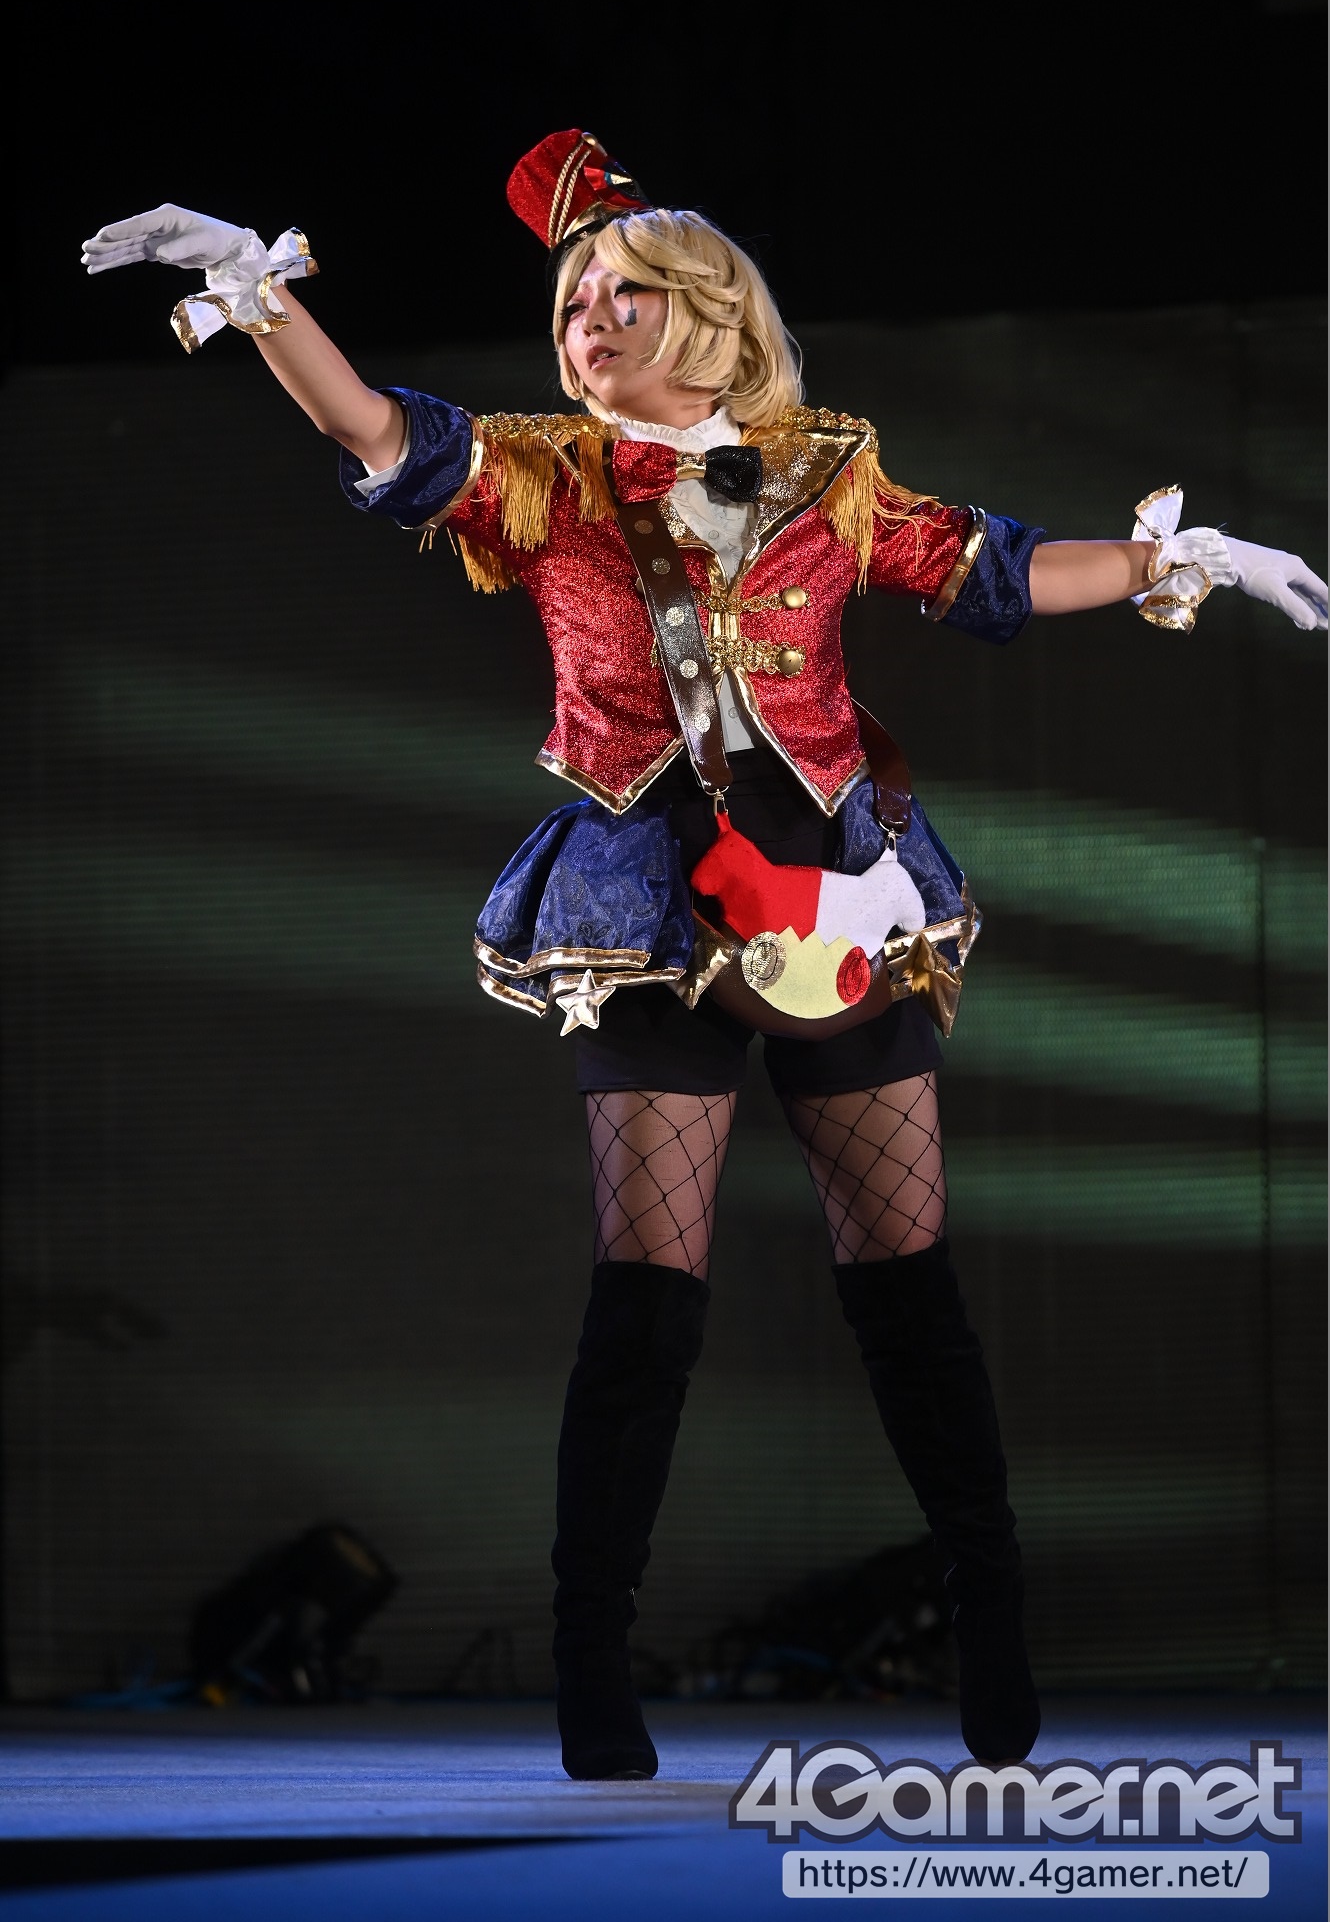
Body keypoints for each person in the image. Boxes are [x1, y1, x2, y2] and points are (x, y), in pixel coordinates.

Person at [82, 132, 1327, 1783]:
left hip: (836, 889)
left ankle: (990, 1620)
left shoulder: (828, 471)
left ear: (715, 315)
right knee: (645, 1296)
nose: (587, 320)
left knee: (906, 1287)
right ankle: (591, 1657)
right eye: (571, 302)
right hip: (641, 897)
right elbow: (378, 433)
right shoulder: (542, 471)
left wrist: (1188, 557)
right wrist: (258, 292)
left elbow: (990, 568)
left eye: (623, 294)